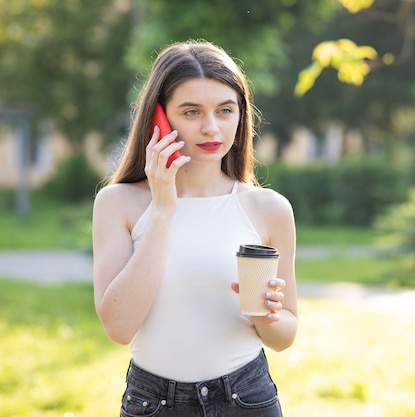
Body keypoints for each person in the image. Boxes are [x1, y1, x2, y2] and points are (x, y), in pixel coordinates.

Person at [92, 40, 297, 417]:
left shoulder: (269, 209)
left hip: (246, 398)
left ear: (241, 116)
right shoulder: (118, 203)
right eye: (191, 112)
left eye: (225, 110)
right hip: (153, 403)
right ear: (159, 118)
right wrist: (164, 208)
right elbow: (119, 327)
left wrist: (265, 316)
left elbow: (285, 336)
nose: (211, 128)